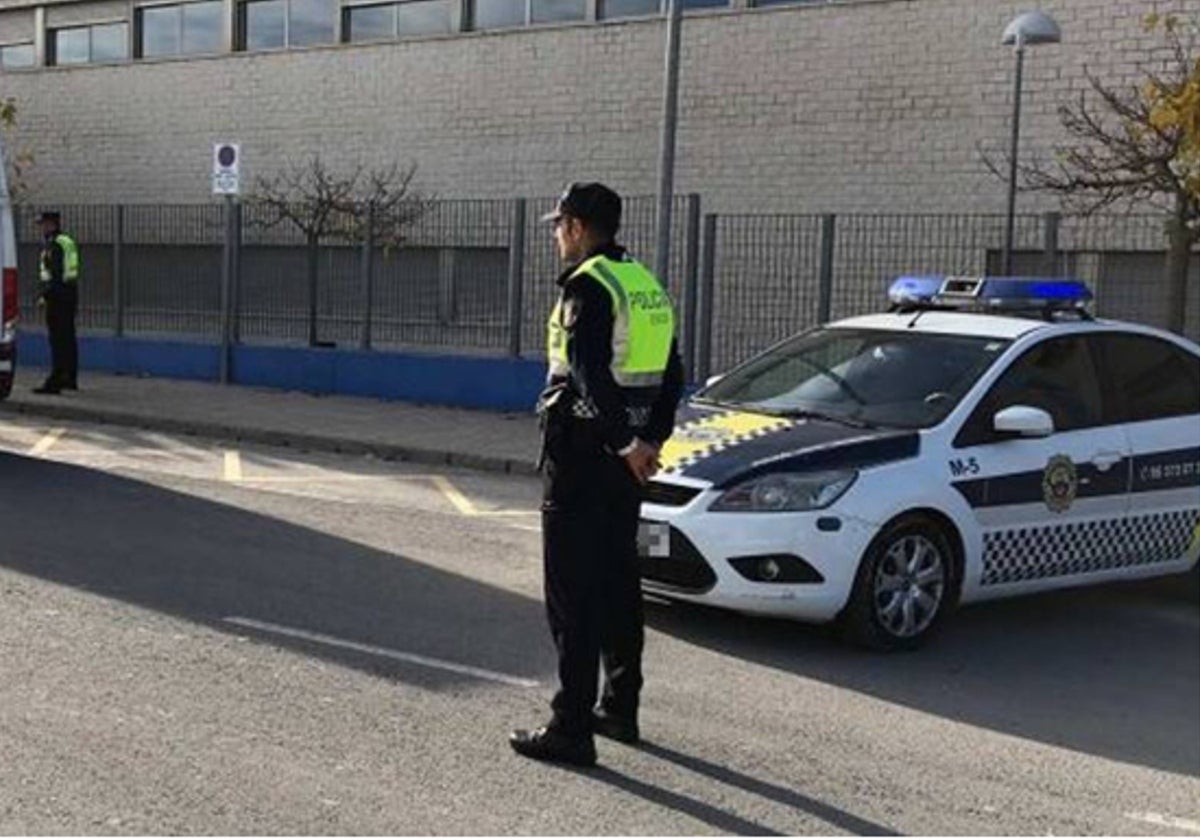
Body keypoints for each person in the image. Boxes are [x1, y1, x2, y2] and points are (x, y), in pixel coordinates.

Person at [509, 183, 685, 767]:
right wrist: (649, 442)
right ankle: (620, 707)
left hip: (584, 459)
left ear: (579, 228)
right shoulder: (644, 284)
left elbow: (587, 373)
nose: (557, 234)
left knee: (571, 597)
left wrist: (626, 442)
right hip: (624, 466)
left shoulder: (587, 287)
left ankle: (571, 727)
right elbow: (673, 373)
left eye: (560, 225)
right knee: (618, 586)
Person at [34, 210, 80, 395]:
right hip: (69, 294)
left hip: (58, 298)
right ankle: (70, 377)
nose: (41, 228)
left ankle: (55, 380)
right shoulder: (66, 241)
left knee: (58, 340)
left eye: (43, 224)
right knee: (68, 338)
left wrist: (45, 295)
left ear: (51, 224)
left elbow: (55, 274)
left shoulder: (55, 244)